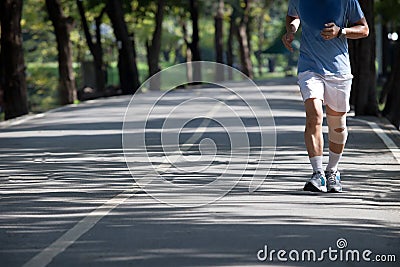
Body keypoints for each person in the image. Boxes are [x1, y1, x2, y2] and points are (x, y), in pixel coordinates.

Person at [282, 0, 369, 192]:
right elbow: (293, 16)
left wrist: (341, 31)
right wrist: (291, 30)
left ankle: (332, 171)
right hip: (309, 67)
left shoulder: (347, 1)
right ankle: (317, 173)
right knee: (314, 116)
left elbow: (364, 29)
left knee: (337, 124)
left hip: (339, 70)